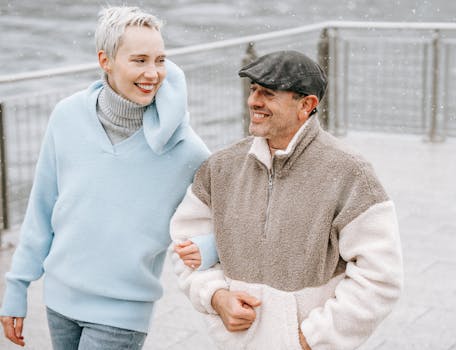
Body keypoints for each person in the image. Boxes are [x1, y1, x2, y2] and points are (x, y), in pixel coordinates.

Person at [0, 6, 209, 349]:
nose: (153, 73)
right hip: (59, 302)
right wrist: (17, 287)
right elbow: (41, 208)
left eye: (160, 60)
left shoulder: (187, 151)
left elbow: (223, 220)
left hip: (122, 314)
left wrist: (205, 249)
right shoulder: (67, 116)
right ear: (105, 60)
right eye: (139, 60)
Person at [170, 50, 404, 350]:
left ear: (306, 105)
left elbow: (380, 277)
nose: (253, 101)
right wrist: (215, 297)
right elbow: (184, 243)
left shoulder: (351, 174)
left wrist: (312, 339)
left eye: (267, 93)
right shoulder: (221, 167)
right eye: (253, 90)